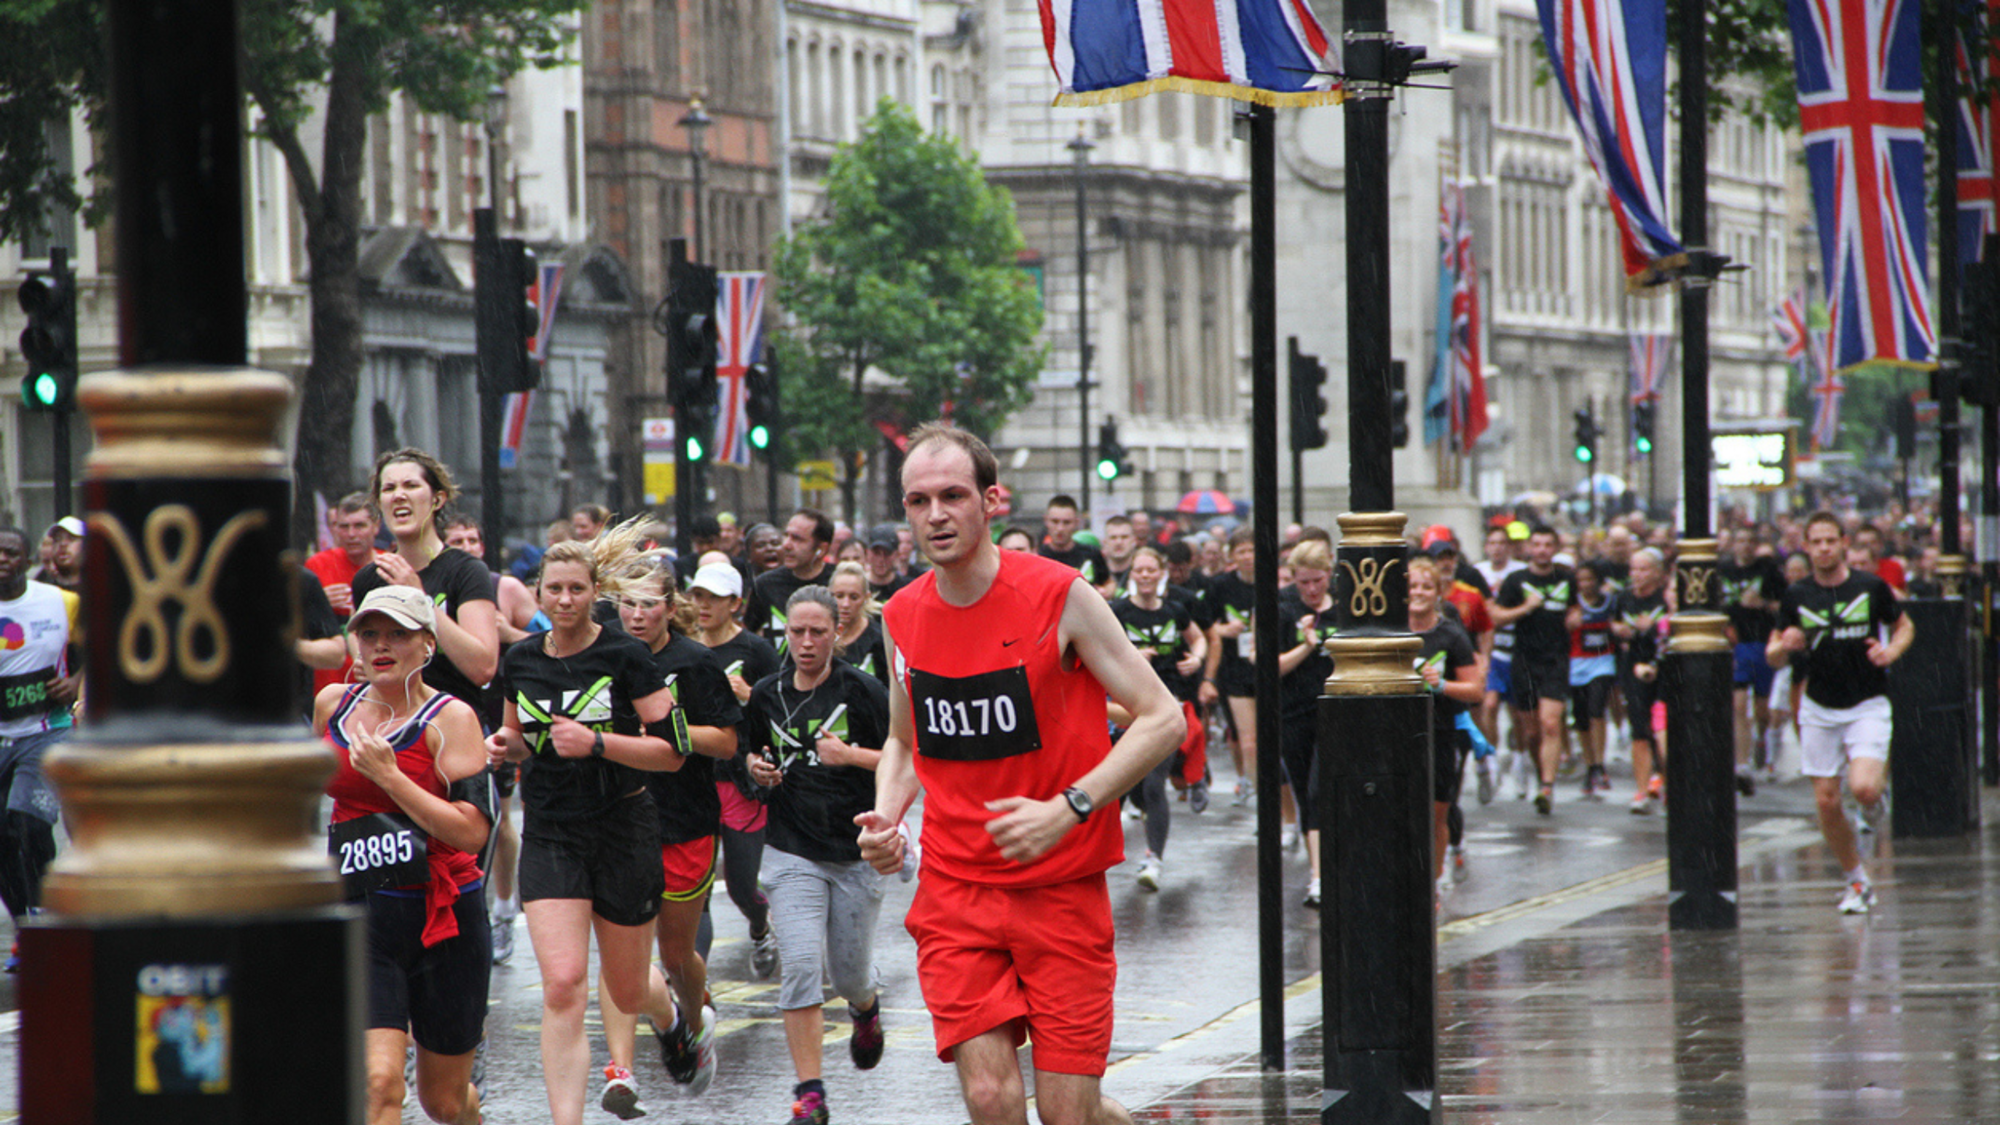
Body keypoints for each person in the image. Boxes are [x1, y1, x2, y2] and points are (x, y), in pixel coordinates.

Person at [858, 424, 1182, 1125]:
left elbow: (1163, 718)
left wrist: (1070, 806)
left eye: (953, 495)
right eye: (918, 501)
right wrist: (887, 815)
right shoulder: (902, 615)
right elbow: (904, 742)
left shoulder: (1060, 595)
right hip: (956, 889)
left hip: (1061, 888)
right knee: (990, 1096)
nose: (936, 514)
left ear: (992, 500)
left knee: (1070, 1112)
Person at [484, 522, 703, 1125]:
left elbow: (674, 751)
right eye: (554, 588)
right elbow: (520, 737)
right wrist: (504, 747)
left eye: (576, 589)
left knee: (627, 989)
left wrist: (598, 742)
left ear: (594, 592)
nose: (564, 600)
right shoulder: (521, 659)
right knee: (562, 985)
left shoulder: (627, 656)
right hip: (552, 831)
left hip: (622, 828)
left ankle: (671, 1020)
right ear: (538, 592)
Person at [316, 587, 492, 1125]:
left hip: (444, 917)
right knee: (379, 1083)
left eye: (397, 634)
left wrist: (391, 778)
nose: (381, 646)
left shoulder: (451, 718)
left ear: (427, 645)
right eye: (369, 634)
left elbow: (473, 832)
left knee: (444, 1103)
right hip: (364, 914)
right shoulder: (333, 705)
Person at [598, 560, 743, 1119]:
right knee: (621, 952)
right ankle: (625, 1067)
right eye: (628, 604)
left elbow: (726, 742)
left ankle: (694, 1017)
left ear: (670, 606)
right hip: (620, 820)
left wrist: (664, 732)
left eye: (649, 604)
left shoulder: (694, 661)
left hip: (684, 821)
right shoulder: (606, 656)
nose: (637, 615)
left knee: (676, 956)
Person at [744, 587, 893, 1125]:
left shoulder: (864, 691)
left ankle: (865, 1007)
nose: (806, 643)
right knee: (802, 968)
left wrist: (849, 755)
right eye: (797, 632)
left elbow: (905, 759)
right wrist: (756, 769)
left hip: (854, 853)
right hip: (791, 850)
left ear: (837, 632)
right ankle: (811, 1094)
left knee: (849, 976)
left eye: (818, 632)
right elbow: (752, 753)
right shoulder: (767, 693)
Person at [1768, 512, 1914, 915]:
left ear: (1844, 543)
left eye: (1830, 541)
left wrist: (1890, 652)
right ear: (1806, 547)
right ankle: (1856, 880)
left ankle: (1874, 800)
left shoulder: (1869, 587)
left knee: (1863, 788)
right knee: (1827, 801)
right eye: (1816, 542)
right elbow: (1772, 654)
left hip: (1867, 702)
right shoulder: (1797, 595)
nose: (1824, 549)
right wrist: (1785, 645)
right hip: (1819, 706)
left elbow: (1904, 626)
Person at [349, 450, 501, 724]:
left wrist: (421, 599)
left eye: (411, 485)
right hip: (391, 729)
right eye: (389, 488)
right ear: (380, 504)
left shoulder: (467, 571)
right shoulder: (368, 580)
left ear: (437, 499)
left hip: (454, 728)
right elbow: (360, 658)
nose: (399, 495)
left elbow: (483, 668)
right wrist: (365, 665)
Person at [687, 562, 783, 978]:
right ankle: (695, 988)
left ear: (735, 604)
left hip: (741, 781)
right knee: (699, 891)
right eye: (698, 596)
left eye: (714, 598)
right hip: (695, 780)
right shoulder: (685, 648)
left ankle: (760, 926)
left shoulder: (755, 650)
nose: (703, 605)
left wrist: (752, 695)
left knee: (743, 887)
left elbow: (783, 707)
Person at [0, 526, 78, 973]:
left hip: (45, 731)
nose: (2, 559)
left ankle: (47, 921)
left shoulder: (58, 601)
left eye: (11, 552)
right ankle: (27, 930)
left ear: (29, 559)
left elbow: (100, 642)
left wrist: (76, 682)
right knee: (2, 839)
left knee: (27, 826)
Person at [1109, 546, 1207, 890]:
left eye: (1151, 570)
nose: (1146, 576)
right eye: (1140, 570)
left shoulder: (1174, 609)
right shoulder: (1118, 611)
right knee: (1124, 787)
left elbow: (1198, 638)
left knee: (1154, 783)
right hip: (1126, 708)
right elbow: (1101, 651)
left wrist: (1196, 658)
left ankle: (1154, 860)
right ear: (1132, 574)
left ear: (1161, 573)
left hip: (1167, 707)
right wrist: (1133, 657)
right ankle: (1095, 856)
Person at [1407, 556, 1480, 899]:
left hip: (1439, 731)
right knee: (1402, 812)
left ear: (1438, 592)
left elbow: (1475, 690)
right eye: (1412, 586)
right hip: (1399, 733)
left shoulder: (1450, 635)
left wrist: (1441, 685)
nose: (1418, 592)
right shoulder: (1391, 633)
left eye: (1426, 586)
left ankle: (1433, 883)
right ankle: (1407, 878)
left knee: (1437, 814)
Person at [1490, 526, 1574, 815]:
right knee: (1531, 732)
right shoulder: (1516, 580)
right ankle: (1541, 775)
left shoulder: (1566, 578)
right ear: (1529, 548)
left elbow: (1575, 608)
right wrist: (1526, 607)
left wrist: (1575, 617)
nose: (1542, 550)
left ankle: (1547, 787)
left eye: (1548, 545)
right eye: (1537, 544)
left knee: (1550, 723)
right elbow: (1497, 617)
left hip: (1555, 659)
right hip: (1524, 660)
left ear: (1555, 548)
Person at [1275, 539, 1335, 906]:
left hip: (1335, 713)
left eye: (1317, 580)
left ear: (1329, 573)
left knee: (1319, 792)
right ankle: (1319, 869)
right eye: (1303, 582)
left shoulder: (1343, 609)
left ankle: (1319, 878)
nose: (1311, 590)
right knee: (1303, 794)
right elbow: (1270, 667)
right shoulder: (1284, 609)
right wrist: (1307, 645)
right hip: (1294, 713)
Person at [1719, 526, 1783, 795]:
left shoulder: (1767, 570)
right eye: (1740, 540)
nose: (1744, 546)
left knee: (1761, 708)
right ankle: (1741, 765)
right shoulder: (1723, 570)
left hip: (1761, 641)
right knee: (1738, 704)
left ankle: (1762, 736)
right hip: (1736, 642)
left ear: (1756, 545)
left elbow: (1785, 604)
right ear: (1733, 544)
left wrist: (1763, 604)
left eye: (1749, 541)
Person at [1201, 527, 1259, 809]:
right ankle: (1249, 782)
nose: (1247, 557)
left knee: (1266, 736)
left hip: (1267, 667)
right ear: (1232, 556)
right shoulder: (1220, 586)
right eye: (1241, 552)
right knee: (1244, 738)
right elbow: (1205, 626)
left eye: (1252, 550)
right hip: (1233, 668)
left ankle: (1265, 783)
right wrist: (1225, 630)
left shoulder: (1273, 583)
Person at [1612, 548, 1670, 813]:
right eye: (1634, 569)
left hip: (1663, 669)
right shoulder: (1623, 598)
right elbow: (1613, 625)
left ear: (1657, 572)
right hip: (1633, 667)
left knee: (1663, 731)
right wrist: (1619, 630)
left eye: (1644, 569)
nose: (1637, 575)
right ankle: (1642, 790)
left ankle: (1666, 780)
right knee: (1639, 728)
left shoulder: (1665, 598)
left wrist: (1652, 629)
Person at [304, 493, 382, 693]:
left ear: (376, 526)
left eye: (359, 526)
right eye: (344, 526)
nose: (351, 534)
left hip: (378, 685)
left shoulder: (389, 566)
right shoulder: (316, 566)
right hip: (329, 687)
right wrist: (319, 602)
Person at [745, 509, 835, 650]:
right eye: (786, 535)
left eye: (797, 539)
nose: (786, 545)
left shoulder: (840, 583)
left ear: (821, 549)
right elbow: (748, 635)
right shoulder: (766, 584)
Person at [1565, 560, 1617, 799]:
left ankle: (1600, 763)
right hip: (1577, 665)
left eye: (1589, 579)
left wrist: (1617, 627)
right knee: (1582, 718)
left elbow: (1618, 622)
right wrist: (1569, 623)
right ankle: (1590, 764)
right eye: (1580, 580)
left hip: (1603, 662)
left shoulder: (1610, 601)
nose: (1585, 584)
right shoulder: (1573, 604)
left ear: (1598, 580)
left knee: (1597, 710)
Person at [828, 561, 889, 683]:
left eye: (854, 597)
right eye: (839, 596)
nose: (845, 604)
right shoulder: (819, 634)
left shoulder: (879, 640)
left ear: (866, 598)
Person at [1038, 494, 1110, 586]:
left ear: (1076, 523)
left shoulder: (1091, 553)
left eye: (1066, 522)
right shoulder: (1038, 556)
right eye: (1055, 522)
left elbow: (1108, 583)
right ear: (1046, 521)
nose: (1060, 528)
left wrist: (1105, 591)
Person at [863, 525, 911, 601]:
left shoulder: (908, 588)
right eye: (876, 553)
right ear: (867, 553)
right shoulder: (858, 587)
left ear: (896, 554)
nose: (881, 559)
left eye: (887, 553)